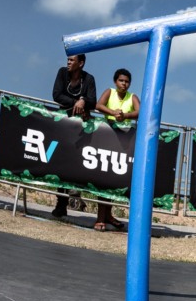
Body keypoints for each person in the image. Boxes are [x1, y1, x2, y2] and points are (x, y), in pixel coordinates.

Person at [93, 68, 141, 232]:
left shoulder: (132, 97)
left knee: (114, 180)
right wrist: (113, 113)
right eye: (121, 80)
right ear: (115, 81)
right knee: (103, 179)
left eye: (127, 81)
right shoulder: (109, 92)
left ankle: (108, 215)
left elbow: (140, 111)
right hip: (107, 139)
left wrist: (125, 116)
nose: (124, 84)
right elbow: (99, 105)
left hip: (123, 143)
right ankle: (100, 218)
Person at [50, 53, 97, 218]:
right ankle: (61, 203)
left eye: (72, 60)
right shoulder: (62, 72)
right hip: (63, 125)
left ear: (81, 63)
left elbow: (93, 101)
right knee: (60, 163)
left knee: (76, 164)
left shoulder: (89, 79)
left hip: (81, 130)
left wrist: (84, 101)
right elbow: (56, 94)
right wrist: (76, 102)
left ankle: (75, 198)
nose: (68, 62)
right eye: (68, 59)